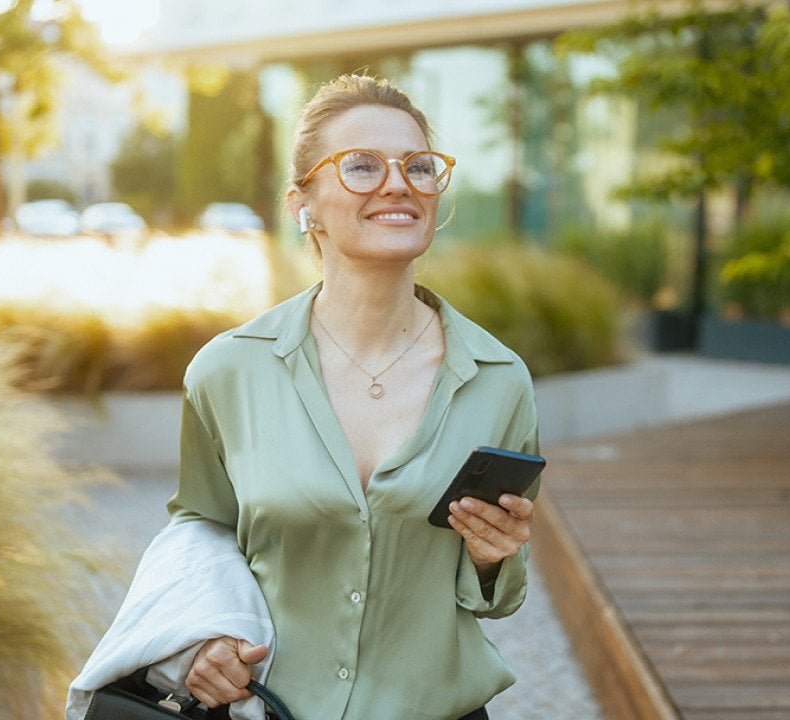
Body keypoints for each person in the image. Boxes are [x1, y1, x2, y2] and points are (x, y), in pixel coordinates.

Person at [166, 74, 539, 720]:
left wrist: (491, 557)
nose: (397, 184)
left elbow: (496, 595)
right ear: (302, 204)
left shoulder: (499, 380)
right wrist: (201, 643)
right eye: (361, 166)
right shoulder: (227, 372)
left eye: (417, 167)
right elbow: (200, 533)